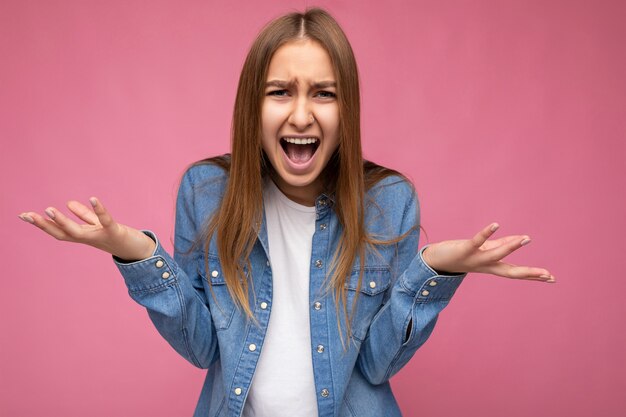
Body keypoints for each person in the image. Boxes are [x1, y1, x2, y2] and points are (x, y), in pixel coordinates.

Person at [18, 8, 555, 417]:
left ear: (348, 112)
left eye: (324, 93)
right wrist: (134, 253)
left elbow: (378, 365)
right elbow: (203, 348)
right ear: (252, 106)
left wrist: (434, 269)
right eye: (280, 92)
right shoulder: (206, 192)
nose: (301, 113)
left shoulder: (390, 202)